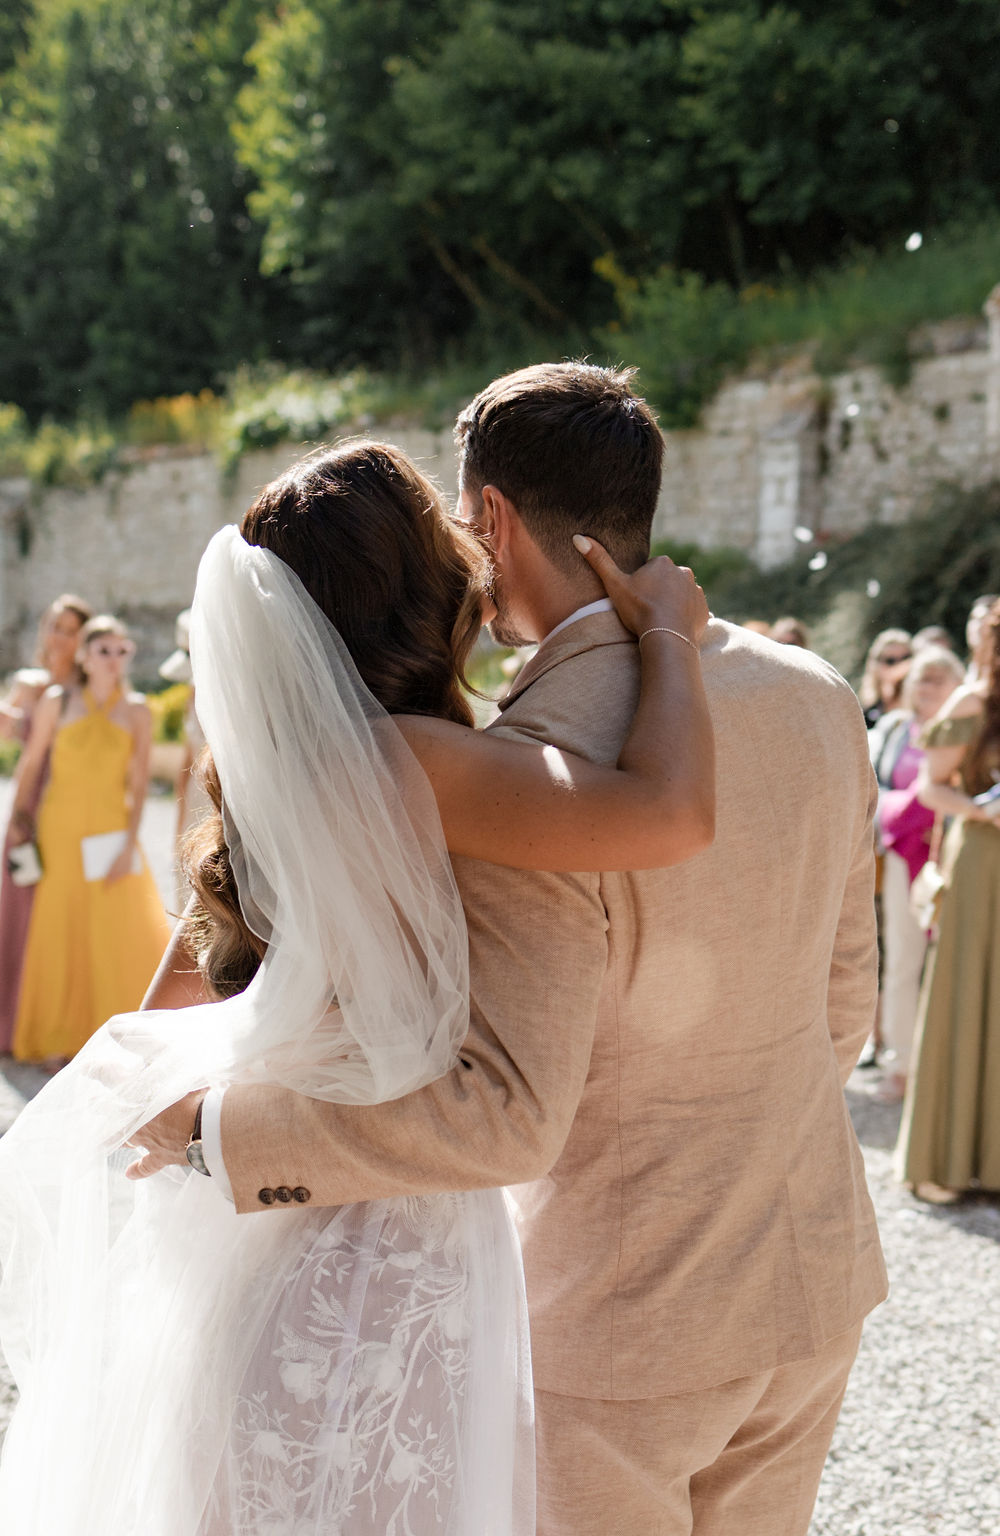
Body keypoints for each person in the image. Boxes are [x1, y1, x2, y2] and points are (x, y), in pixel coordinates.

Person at [131, 364, 886, 1536]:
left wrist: (213, 1136)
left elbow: (503, 1112)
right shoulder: (814, 693)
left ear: (489, 516)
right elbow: (843, 1007)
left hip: (614, 1323)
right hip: (811, 1282)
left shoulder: (522, 768)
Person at [0, 434, 714, 1534]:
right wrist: (669, 639)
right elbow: (668, 815)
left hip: (251, 1247)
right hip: (389, 1248)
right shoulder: (422, 764)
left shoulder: (274, 775)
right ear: (414, 589)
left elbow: (164, 1009)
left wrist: (203, 1121)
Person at [895, 592, 1000, 1201]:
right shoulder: (972, 702)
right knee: (970, 989)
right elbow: (931, 787)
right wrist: (981, 809)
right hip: (983, 863)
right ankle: (946, 1158)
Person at [10, 615, 170, 1065]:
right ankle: (59, 1037)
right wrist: (19, 818)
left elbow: (140, 785)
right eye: (104, 650)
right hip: (59, 830)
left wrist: (129, 844)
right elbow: (31, 762)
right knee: (60, 929)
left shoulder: (138, 710)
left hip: (111, 834)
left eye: (123, 651)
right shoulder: (58, 701)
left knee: (114, 932)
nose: (114, 659)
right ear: (84, 656)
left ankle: (117, 1037)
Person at [869, 647, 964, 1101]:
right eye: (922, 678)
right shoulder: (894, 730)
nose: (928, 687)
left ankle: (951, 1068)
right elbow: (875, 787)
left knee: (951, 964)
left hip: (952, 858)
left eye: (939, 678)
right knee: (903, 961)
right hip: (901, 859)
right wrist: (905, 808)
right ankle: (900, 1064)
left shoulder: (969, 731)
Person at [0, 594, 92, 1051]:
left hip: (68, 805)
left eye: (70, 630)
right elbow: (8, 743)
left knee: (56, 911)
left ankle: (51, 1017)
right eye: (54, 626)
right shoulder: (28, 684)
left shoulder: (88, 688)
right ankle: (12, 1019)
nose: (59, 637)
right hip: (27, 800)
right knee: (17, 903)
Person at [157, 607, 209, 907]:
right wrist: (178, 829)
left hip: (218, 800)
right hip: (193, 799)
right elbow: (186, 761)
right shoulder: (192, 692)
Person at [858, 627, 913, 727]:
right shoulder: (867, 714)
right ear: (876, 664)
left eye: (906, 658)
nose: (899, 665)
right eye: (890, 661)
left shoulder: (920, 705)